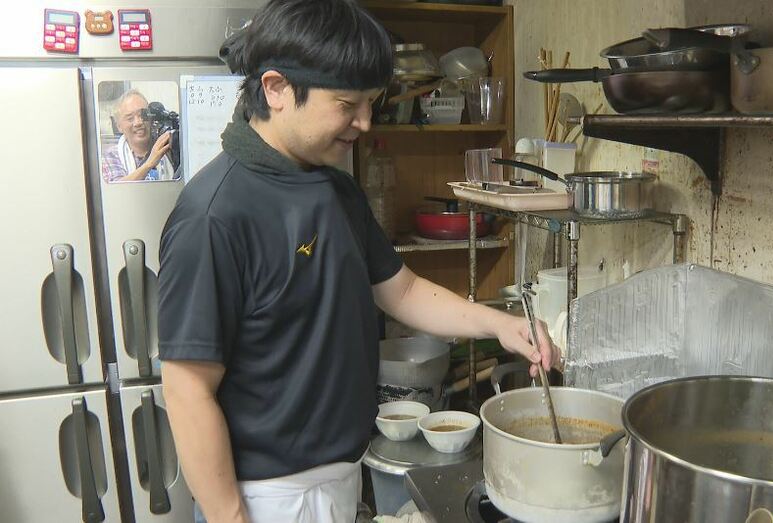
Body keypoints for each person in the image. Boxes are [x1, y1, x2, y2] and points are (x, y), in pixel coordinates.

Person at [156, 1, 557, 522]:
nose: (364, 123)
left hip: (342, 472)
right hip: (265, 496)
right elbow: (187, 389)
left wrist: (501, 326)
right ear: (276, 89)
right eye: (347, 103)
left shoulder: (334, 188)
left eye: (372, 102)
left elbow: (403, 290)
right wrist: (230, 515)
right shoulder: (214, 216)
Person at [101, 89, 176, 182]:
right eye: (130, 118)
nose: (138, 122)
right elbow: (117, 190)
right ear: (119, 126)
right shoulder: (111, 155)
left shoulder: (167, 147)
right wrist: (149, 164)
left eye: (143, 115)